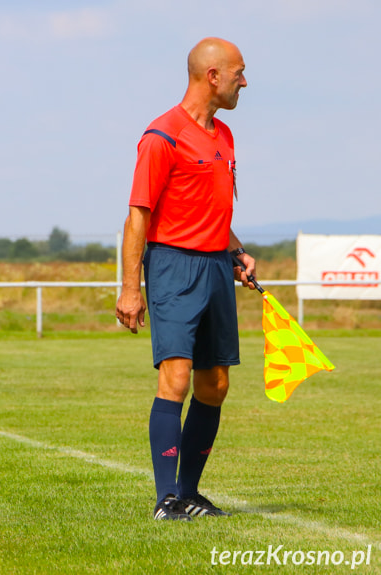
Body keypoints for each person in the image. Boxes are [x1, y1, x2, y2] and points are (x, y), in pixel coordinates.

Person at [115, 38, 257, 521]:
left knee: (214, 384)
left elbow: (212, 206)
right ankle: (165, 500)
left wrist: (236, 250)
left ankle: (190, 493)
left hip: (217, 265)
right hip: (173, 266)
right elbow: (138, 216)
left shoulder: (226, 135)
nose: (246, 81)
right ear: (212, 76)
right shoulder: (161, 136)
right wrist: (130, 288)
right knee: (175, 378)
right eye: (239, 72)